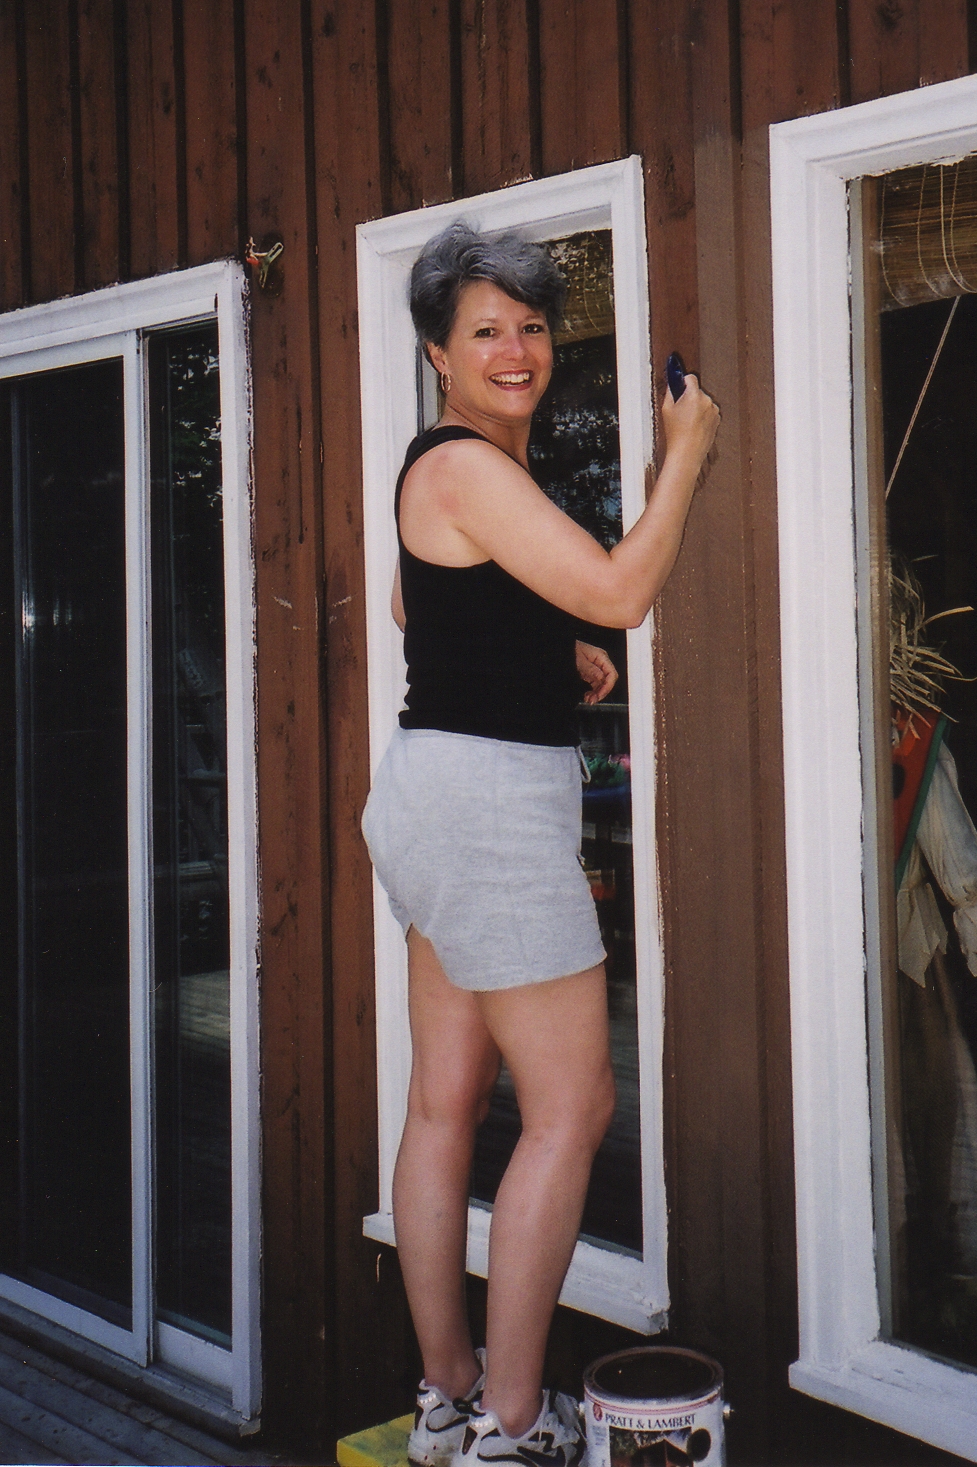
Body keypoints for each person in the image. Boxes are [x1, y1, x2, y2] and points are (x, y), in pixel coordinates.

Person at [361, 222, 721, 1467]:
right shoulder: (469, 462)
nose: (515, 348)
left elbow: (415, 598)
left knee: (444, 1103)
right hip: (489, 810)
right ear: (436, 354)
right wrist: (686, 450)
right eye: (484, 330)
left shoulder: (450, 467)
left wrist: (535, 643)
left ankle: (448, 1398)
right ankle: (511, 1427)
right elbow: (619, 589)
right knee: (570, 1109)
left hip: (431, 792)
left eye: (529, 325)